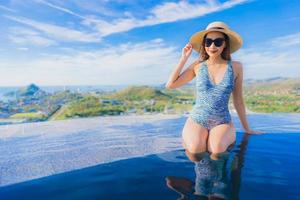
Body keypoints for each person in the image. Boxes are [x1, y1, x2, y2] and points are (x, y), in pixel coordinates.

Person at [165, 21, 262, 154]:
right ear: (204, 43)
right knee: (195, 150)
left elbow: (238, 100)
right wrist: (183, 59)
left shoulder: (236, 67)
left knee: (217, 150)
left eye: (218, 42)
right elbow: (170, 85)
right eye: (208, 41)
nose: (212, 46)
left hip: (222, 121)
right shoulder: (198, 66)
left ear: (225, 44)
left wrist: (247, 129)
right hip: (197, 119)